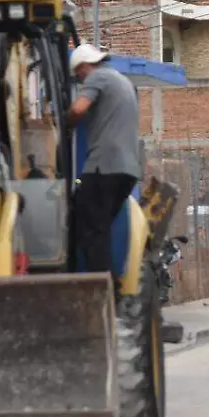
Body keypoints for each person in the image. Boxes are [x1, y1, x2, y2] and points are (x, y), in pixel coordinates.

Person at [66, 43, 143, 286]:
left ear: (84, 66)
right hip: (127, 170)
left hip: (104, 165)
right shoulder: (123, 82)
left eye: (78, 74)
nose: (79, 79)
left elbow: (79, 108)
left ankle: (103, 287)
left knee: (86, 225)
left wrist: (63, 121)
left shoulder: (97, 77)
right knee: (100, 227)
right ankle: (112, 280)